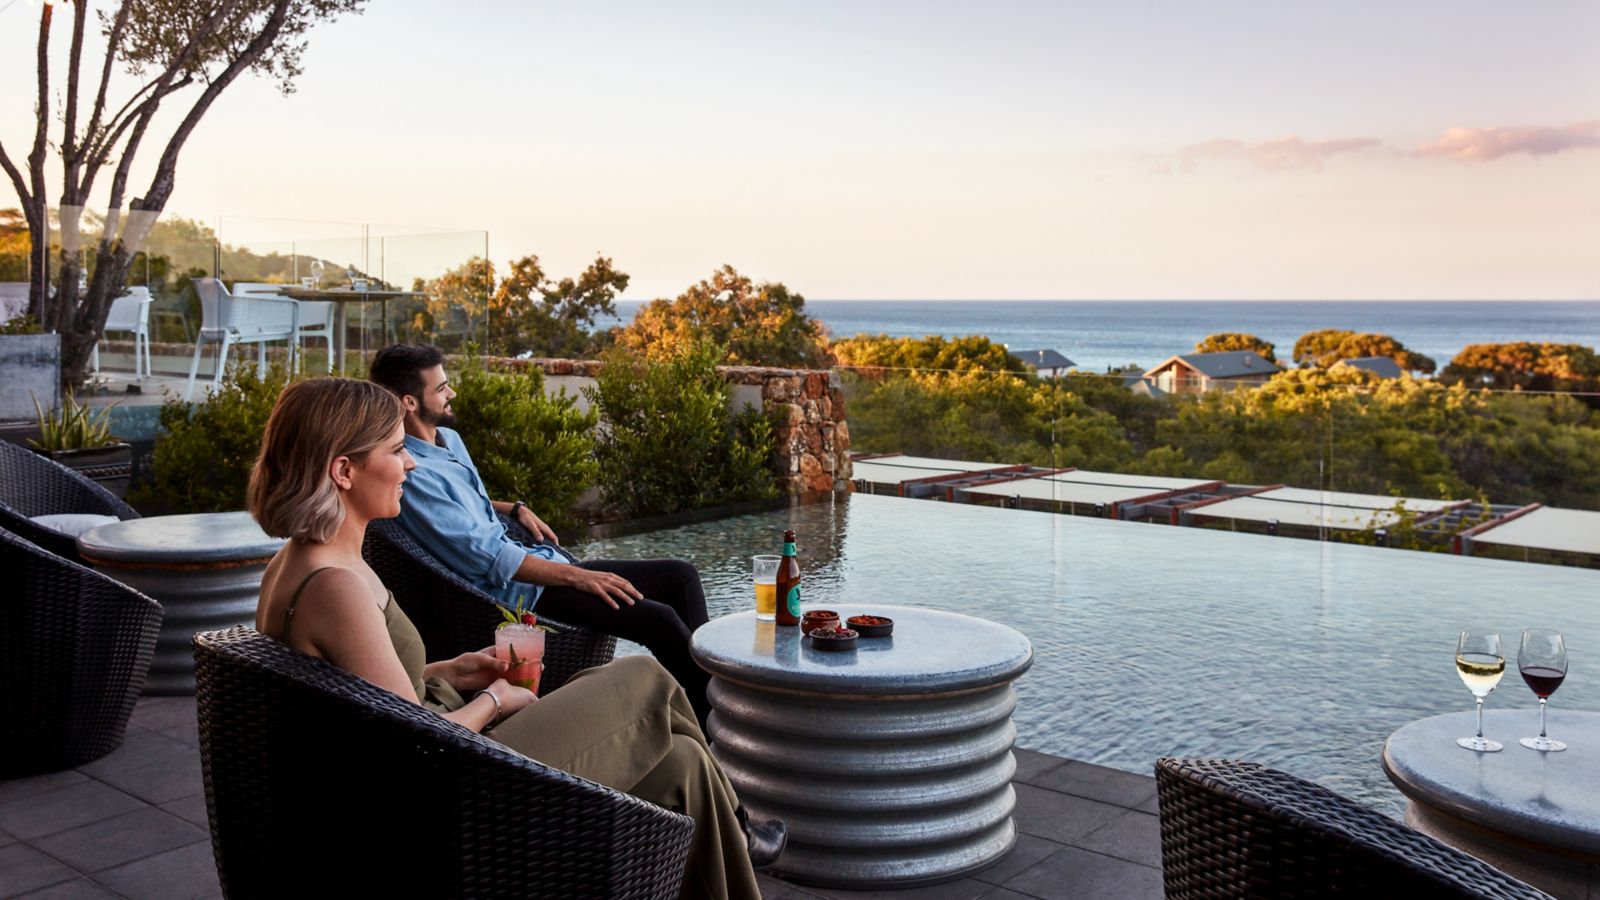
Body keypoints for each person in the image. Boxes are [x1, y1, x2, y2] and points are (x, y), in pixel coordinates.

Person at [247, 377, 782, 900]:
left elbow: (361, 694)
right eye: (395, 450)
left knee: (683, 765)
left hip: (438, 759)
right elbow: (412, 747)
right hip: (448, 795)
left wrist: (449, 669)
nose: (410, 462)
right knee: (643, 677)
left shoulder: (302, 562)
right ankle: (741, 826)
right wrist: (493, 699)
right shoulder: (335, 584)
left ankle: (734, 836)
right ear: (344, 470)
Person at [368, 343, 714, 725]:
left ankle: (717, 697)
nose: (452, 393)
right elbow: (489, 557)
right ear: (410, 402)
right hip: (512, 592)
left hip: (535, 565)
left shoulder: (449, 441)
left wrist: (512, 508)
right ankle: (715, 722)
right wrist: (580, 575)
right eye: (441, 388)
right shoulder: (412, 473)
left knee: (679, 576)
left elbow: (464, 504)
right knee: (659, 620)